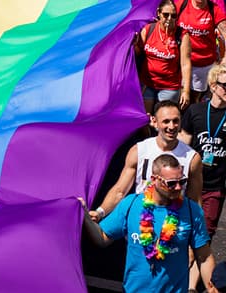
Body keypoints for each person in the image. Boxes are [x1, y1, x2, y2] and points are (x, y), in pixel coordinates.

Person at [81, 154, 216, 293]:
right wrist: (85, 215)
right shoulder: (131, 204)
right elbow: (102, 238)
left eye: (181, 181)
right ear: (154, 180)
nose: (178, 188)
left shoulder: (191, 210)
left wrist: (213, 288)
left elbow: (204, 256)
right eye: (171, 183)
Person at [88, 101, 202, 223]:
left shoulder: (192, 158)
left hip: (174, 223)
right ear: (154, 121)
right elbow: (120, 190)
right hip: (141, 221)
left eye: (176, 121)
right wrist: (100, 212)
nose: (172, 126)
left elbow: (194, 200)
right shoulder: (139, 151)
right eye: (166, 121)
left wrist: (198, 235)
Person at [182, 63, 226, 238]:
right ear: (213, 86)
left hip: (216, 186)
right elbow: (183, 144)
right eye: (225, 85)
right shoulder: (195, 111)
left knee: (205, 234)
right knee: (183, 230)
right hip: (190, 182)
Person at [175, 0, 226, 102]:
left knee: (194, 99)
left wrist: (225, 59)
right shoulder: (181, 5)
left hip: (203, 65)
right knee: (179, 97)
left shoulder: (213, 9)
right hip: (180, 62)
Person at [135, 0, 192, 113]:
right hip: (147, 84)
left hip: (169, 87)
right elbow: (137, 53)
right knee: (146, 118)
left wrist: (186, 91)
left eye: (174, 16)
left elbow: (185, 64)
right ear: (159, 14)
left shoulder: (181, 35)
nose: (170, 19)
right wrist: (134, 43)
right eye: (166, 15)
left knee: (164, 119)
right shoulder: (148, 29)